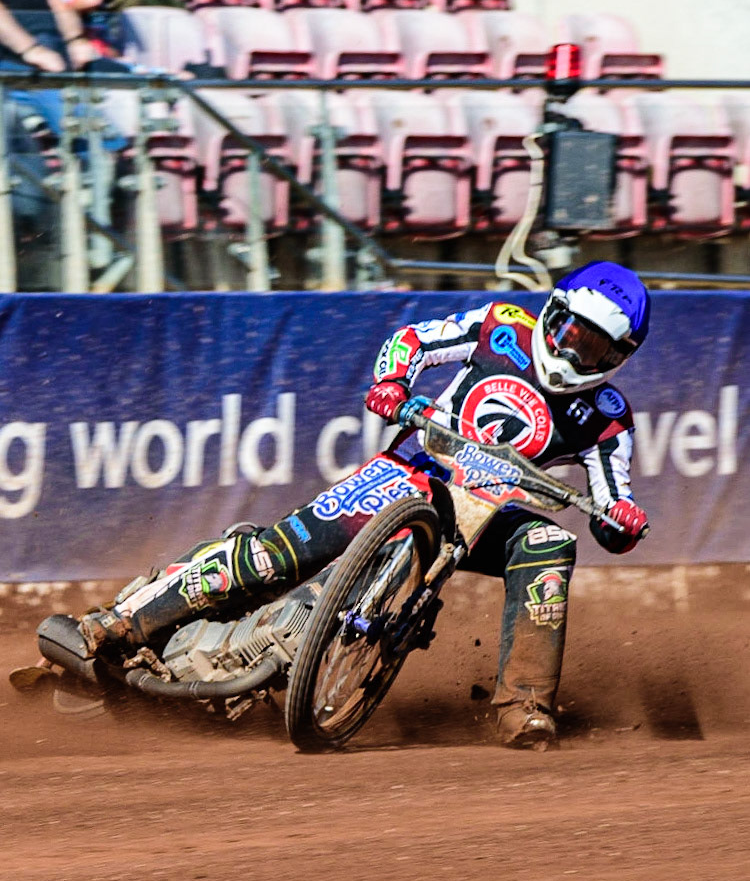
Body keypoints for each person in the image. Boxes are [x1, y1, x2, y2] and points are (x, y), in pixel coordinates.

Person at [72, 262, 653, 749]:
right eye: (569, 330)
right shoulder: (502, 324)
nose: (571, 348)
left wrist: (621, 521)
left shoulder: (606, 418)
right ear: (552, 312)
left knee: (551, 542)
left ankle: (524, 706)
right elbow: (415, 339)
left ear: (617, 356)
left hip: (488, 514)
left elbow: (613, 503)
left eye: (593, 345)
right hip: (411, 470)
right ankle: (119, 622)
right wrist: (393, 382)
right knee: (278, 554)